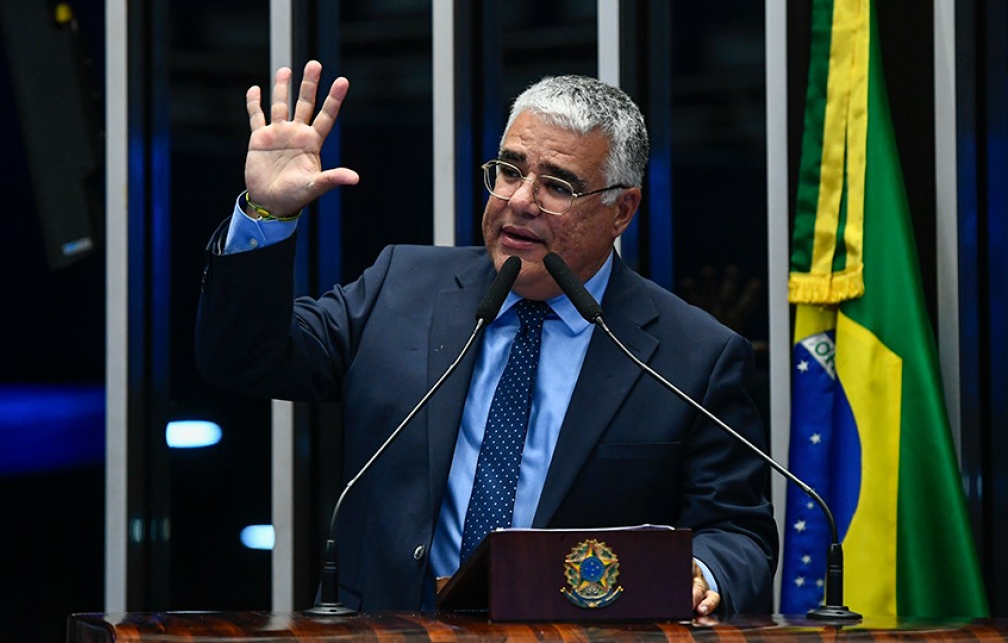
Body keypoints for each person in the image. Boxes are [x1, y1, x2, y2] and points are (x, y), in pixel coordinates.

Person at [196, 60, 778, 617]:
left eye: (557, 185)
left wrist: (704, 572)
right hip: (392, 630)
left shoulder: (692, 355)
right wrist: (266, 215)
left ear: (621, 210)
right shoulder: (402, 287)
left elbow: (738, 531)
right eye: (510, 170)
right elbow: (244, 357)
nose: (520, 201)